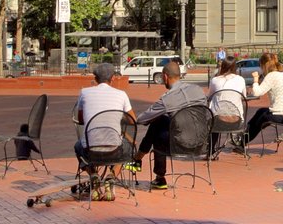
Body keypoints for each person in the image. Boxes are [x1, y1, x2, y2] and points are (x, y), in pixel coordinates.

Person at [129, 61, 206, 190]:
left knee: (157, 124)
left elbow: (142, 119)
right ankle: (138, 160)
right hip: (202, 143)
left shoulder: (167, 99)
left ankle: (156, 174)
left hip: (180, 145)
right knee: (163, 122)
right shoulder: (198, 90)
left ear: (165, 77)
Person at [73, 63, 134, 174]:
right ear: (112, 78)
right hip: (114, 150)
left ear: (95, 78)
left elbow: (81, 120)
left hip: (90, 150)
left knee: (78, 146)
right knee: (129, 147)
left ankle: (93, 174)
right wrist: (116, 117)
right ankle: (112, 176)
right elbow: (132, 120)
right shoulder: (122, 94)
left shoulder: (84, 92)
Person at [245, 53, 283, 145]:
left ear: (264, 65)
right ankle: (243, 136)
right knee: (260, 111)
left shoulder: (271, 76)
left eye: (261, 66)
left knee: (261, 119)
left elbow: (257, 93)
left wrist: (255, 79)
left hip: (280, 115)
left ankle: (242, 141)